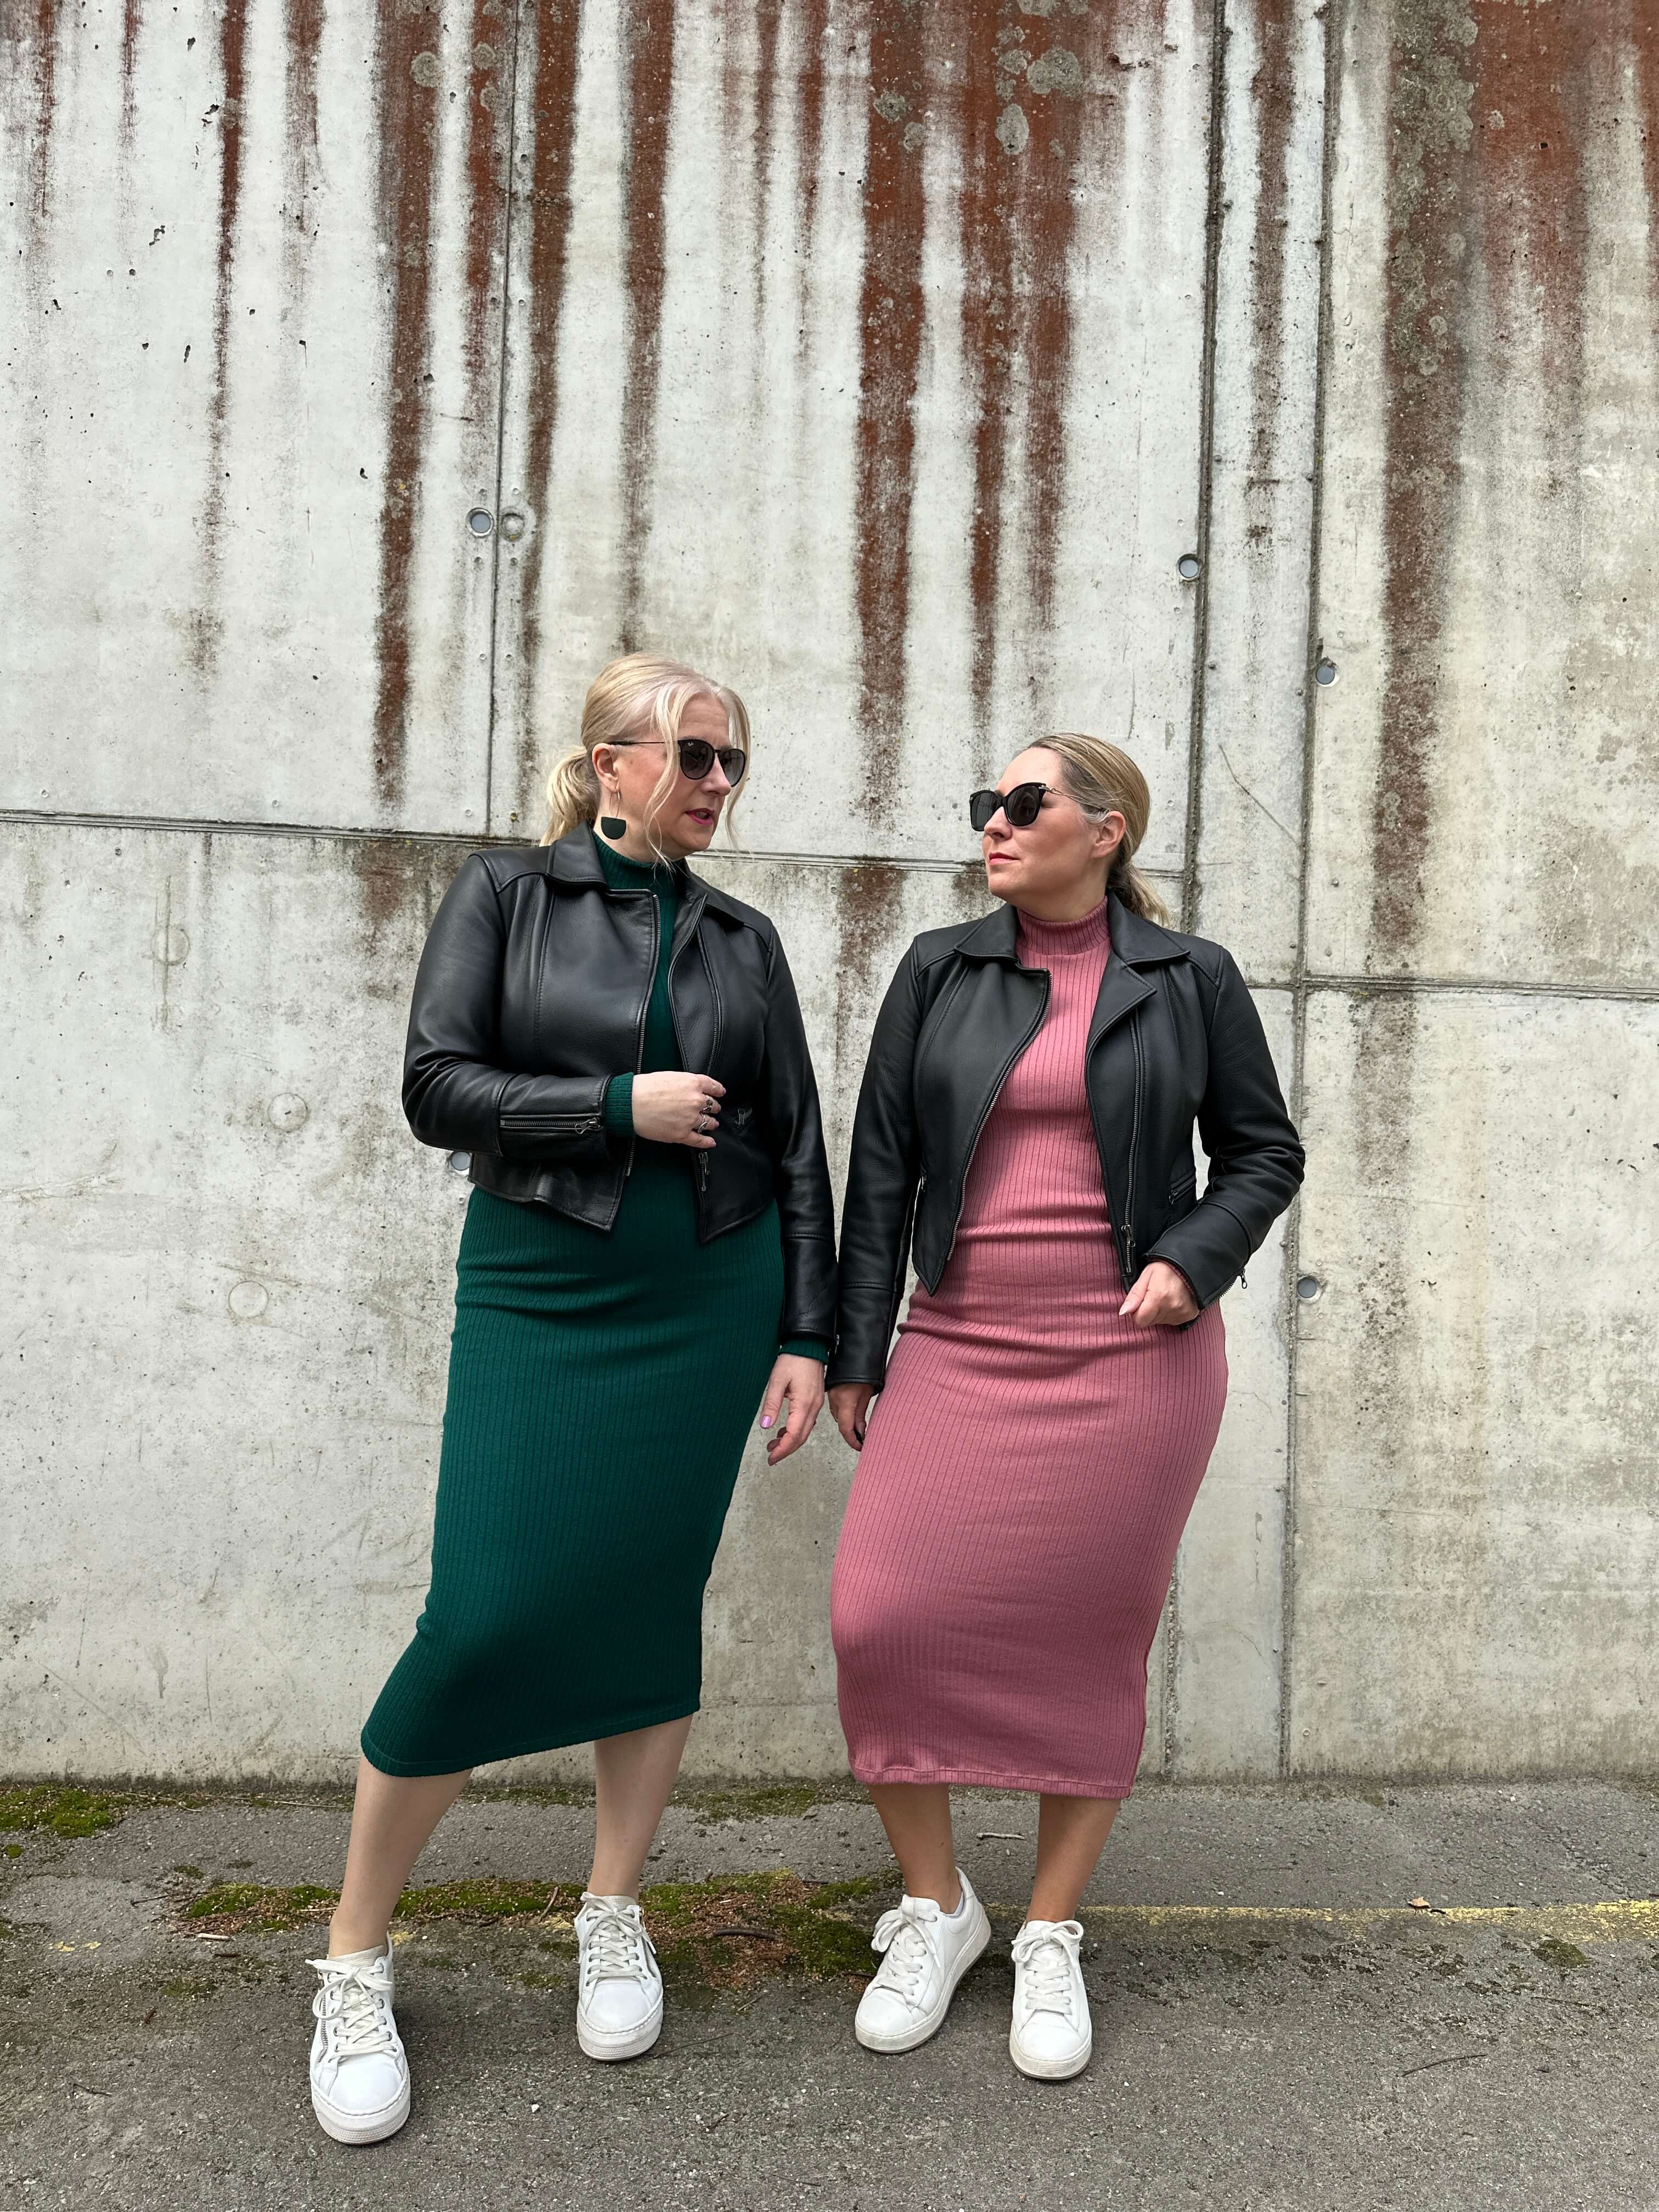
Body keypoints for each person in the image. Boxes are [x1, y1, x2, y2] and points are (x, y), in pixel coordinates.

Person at [305, 653, 835, 2144]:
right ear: (610, 762)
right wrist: (613, 1107)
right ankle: (353, 1953)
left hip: (711, 1301)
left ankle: (611, 1909)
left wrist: (807, 1331)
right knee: (481, 1616)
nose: (718, 782)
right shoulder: (505, 894)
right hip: (542, 1287)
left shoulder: (744, 939)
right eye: (694, 755)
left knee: (648, 1598)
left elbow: (797, 1142)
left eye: (733, 760)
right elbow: (436, 1087)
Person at [826, 733, 1304, 2080]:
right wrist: (858, 1349)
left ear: (1106, 830)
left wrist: (1193, 1259)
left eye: (1024, 802)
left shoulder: (1190, 977)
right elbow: (881, 1168)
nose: (994, 820)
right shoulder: (941, 968)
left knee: (1092, 1642)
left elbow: (1263, 1151)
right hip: (960, 1339)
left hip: (1131, 1359)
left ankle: (1049, 1930)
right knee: (878, 1618)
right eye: (988, 800)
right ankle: (938, 1908)